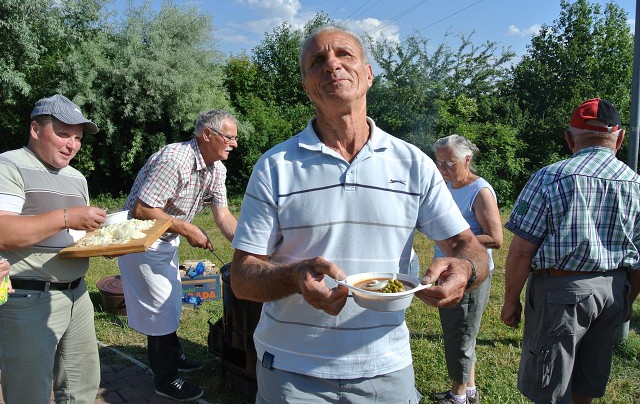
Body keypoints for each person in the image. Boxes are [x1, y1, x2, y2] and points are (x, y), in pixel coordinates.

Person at [230, 25, 489, 404]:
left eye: (344, 54)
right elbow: (242, 277)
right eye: (317, 61)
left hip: (385, 366)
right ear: (307, 87)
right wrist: (292, 276)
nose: (331, 64)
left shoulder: (413, 163)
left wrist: (466, 270)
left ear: (368, 74)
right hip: (291, 370)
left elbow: (467, 245)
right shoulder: (275, 166)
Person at [500, 98, 640, 404]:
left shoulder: (550, 176)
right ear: (619, 138)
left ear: (569, 138)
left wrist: (511, 301)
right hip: (613, 292)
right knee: (587, 379)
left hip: (562, 294)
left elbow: (522, 251)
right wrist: (628, 300)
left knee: (550, 386)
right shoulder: (635, 183)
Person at [118, 109, 238, 401]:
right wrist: (186, 228)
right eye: (229, 137)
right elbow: (142, 210)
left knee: (170, 300)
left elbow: (223, 215)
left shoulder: (216, 169)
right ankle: (166, 378)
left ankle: (173, 356)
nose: (234, 144)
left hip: (165, 238)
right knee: (159, 308)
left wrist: (248, 248)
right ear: (207, 135)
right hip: (140, 239)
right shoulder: (175, 160)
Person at [0, 94, 106, 403]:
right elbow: (4, 232)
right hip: (29, 297)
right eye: (63, 134)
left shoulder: (77, 178)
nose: (72, 145)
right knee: (29, 393)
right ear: (35, 129)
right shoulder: (9, 166)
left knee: (81, 389)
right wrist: (65, 217)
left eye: (78, 138)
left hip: (78, 294)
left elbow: (76, 236)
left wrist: (107, 244)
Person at [432, 135, 503, 404]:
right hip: (446, 270)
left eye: (449, 162)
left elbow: (495, 238)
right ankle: (469, 389)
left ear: (467, 160)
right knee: (462, 332)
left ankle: (458, 395)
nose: (443, 168)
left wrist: (457, 241)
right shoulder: (445, 186)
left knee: (460, 334)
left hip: (470, 274)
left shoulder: (480, 191)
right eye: (439, 162)